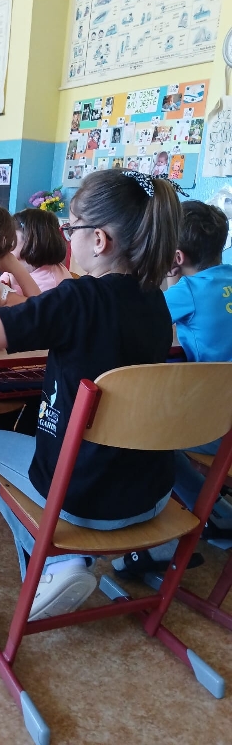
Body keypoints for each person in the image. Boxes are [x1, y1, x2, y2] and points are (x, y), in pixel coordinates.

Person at [0, 169, 182, 621]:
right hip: (152, 494)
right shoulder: (156, 301)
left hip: (82, 496)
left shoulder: (78, 299)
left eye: (71, 227)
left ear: (98, 240)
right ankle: (135, 551)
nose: (66, 236)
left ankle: (57, 561)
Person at [114, 201, 232, 575]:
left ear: (176, 257)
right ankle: (217, 510)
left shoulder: (189, 291)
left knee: (141, 433)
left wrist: (166, 277)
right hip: (224, 416)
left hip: (219, 427)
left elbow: (142, 318)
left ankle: (165, 533)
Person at [0, 209, 72, 294]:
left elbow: (27, 302)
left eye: (11, 235)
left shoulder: (49, 283)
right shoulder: (21, 264)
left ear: (30, 238)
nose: (6, 241)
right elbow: (7, 275)